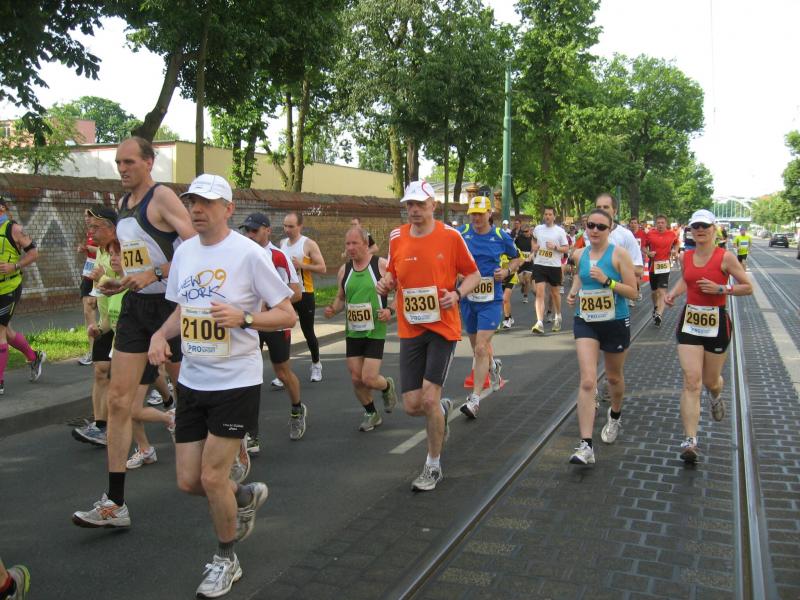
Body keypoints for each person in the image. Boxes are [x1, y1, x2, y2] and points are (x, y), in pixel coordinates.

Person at [148, 173, 296, 598]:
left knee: (212, 477)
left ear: (228, 209)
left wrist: (245, 318)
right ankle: (243, 495)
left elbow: (286, 312)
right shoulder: (184, 252)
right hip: (193, 381)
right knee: (188, 481)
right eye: (192, 202)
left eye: (207, 203)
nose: (197, 209)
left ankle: (226, 559)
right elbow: (183, 309)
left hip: (236, 382)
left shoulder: (248, 254)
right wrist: (160, 335)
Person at [72, 136, 194, 529]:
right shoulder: (123, 204)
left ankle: (230, 445)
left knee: (192, 392)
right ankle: (115, 503)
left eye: (129, 162)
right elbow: (136, 260)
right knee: (119, 401)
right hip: (136, 308)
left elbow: (197, 247)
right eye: (118, 163)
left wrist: (154, 274)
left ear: (149, 162)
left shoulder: (162, 198)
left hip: (171, 308)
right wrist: (122, 280)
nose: (122, 169)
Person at [376, 180, 480, 491]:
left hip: (442, 327)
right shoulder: (397, 236)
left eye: (420, 204)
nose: (414, 210)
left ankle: (433, 465)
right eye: (409, 204)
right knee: (412, 405)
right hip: (410, 328)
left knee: (429, 397)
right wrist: (386, 282)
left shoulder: (451, 236)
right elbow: (393, 274)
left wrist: (457, 294)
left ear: (433, 205)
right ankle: (442, 410)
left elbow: (474, 274)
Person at [665, 209, 752, 463]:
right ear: (690, 230)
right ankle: (690, 440)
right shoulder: (686, 256)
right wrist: (673, 293)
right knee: (692, 380)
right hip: (690, 322)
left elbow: (748, 287)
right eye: (696, 226)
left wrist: (721, 288)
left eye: (705, 226)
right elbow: (687, 280)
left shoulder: (726, 257)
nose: (700, 230)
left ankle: (715, 394)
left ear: (714, 229)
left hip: (717, 324)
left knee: (711, 380)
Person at [566, 208, 638, 465]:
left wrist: (608, 282)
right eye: (591, 225)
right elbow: (580, 276)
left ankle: (615, 415)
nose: (594, 230)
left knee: (613, 377)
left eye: (601, 227)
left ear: (610, 229)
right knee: (588, 381)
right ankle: (586, 445)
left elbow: (633, 292)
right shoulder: (579, 254)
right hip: (586, 321)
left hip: (615, 322)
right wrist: (574, 292)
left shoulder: (619, 255)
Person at [239, 212, 306, 445]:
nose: (250, 235)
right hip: (249, 325)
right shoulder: (240, 255)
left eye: (254, 230)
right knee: (248, 376)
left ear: (267, 230)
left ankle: (297, 410)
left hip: (275, 324)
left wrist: (272, 303)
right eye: (247, 231)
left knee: (282, 373)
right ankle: (251, 434)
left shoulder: (278, 256)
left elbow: (297, 293)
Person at [324, 226, 397, 431]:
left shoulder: (381, 265)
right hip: (353, 330)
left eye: (354, 243)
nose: (350, 248)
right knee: (357, 379)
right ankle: (372, 413)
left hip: (375, 329)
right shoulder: (344, 270)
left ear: (366, 244)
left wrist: (390, 310)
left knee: (369, 378)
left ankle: (387, 386)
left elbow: (401, 291)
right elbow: (341, 298)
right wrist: (333, 309)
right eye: (347, 244)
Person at [458, 195, 519, 418]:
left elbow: (517, 259)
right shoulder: (461, 234)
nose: (476, 218)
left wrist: (506, 271)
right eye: (473, 214)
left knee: (481, 348)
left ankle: (474, 399)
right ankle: (493, 366)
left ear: (489, 214)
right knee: (477, 348)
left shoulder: (500, 236)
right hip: (468, 299)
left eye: (480, 214)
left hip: (491, 299)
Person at [0, 198, 45, 396]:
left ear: (2, 208)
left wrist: (15, 265)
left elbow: (34, 253)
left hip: (9, 288)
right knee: (7, 332)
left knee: (0, 332)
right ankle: (33, 356)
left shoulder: (15, 229)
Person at [280, 211, 327, 382]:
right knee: (282, 332)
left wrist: (302, 265)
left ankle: (316, 365)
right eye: (285, 226)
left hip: (305, 293)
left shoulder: (308, 244)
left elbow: (322, 268)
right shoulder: (282, 243)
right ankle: (283, 372)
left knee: (308, 332)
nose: (287, 230)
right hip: (287, 294)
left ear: (300, 226)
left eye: (291, 226)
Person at [530, 207, 569, 334]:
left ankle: (558, 316)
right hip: (539, 264)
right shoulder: (538, 229)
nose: (547, 216)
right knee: (540, 293)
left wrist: (555, 247)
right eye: (546, 214)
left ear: (554, 216)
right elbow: (533, 240)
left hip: (554, 266)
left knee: (555, 293)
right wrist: (534, 246)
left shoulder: (560, 231)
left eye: (550, 214)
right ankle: (539, 322)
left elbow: (566, 248)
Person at [644, 215, 678, 327]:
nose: (660, 224)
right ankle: (656, 307)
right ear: (655, 224)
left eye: (662, 222)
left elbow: (676, 243)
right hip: (653, 266)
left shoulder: (671, 234)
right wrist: (648, 253)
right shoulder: (650, 234)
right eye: (658, 222)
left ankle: (659, 314)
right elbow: (643, 246)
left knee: (661, 291)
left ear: (666, 224)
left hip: (664, 266)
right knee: (654, 292)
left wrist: (675, 251)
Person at [77, 210, 98, 365]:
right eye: (85, 216)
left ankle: (107, 350)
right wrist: (84, 249)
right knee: (87, 311)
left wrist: (90, 249)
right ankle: (92, 351)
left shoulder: (105, 231)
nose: (86, 219)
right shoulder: (89, 232)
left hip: (101, 274)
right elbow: (91, 252)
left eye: (89, 216)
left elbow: (107, 251)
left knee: (105, 313)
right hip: (88, 273)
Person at [514, 225, 534, 305]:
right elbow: (514, 248)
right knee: (521, 281)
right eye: (523, 232)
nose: (524, 233)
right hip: (521, 262)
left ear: (529, 231)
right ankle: (523, 285)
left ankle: (525, 296)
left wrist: (531, 256)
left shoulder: (533, 239)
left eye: (526, 231)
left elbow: (535, 250)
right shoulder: (519, 238)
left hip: (529, 262)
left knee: (527, 280)